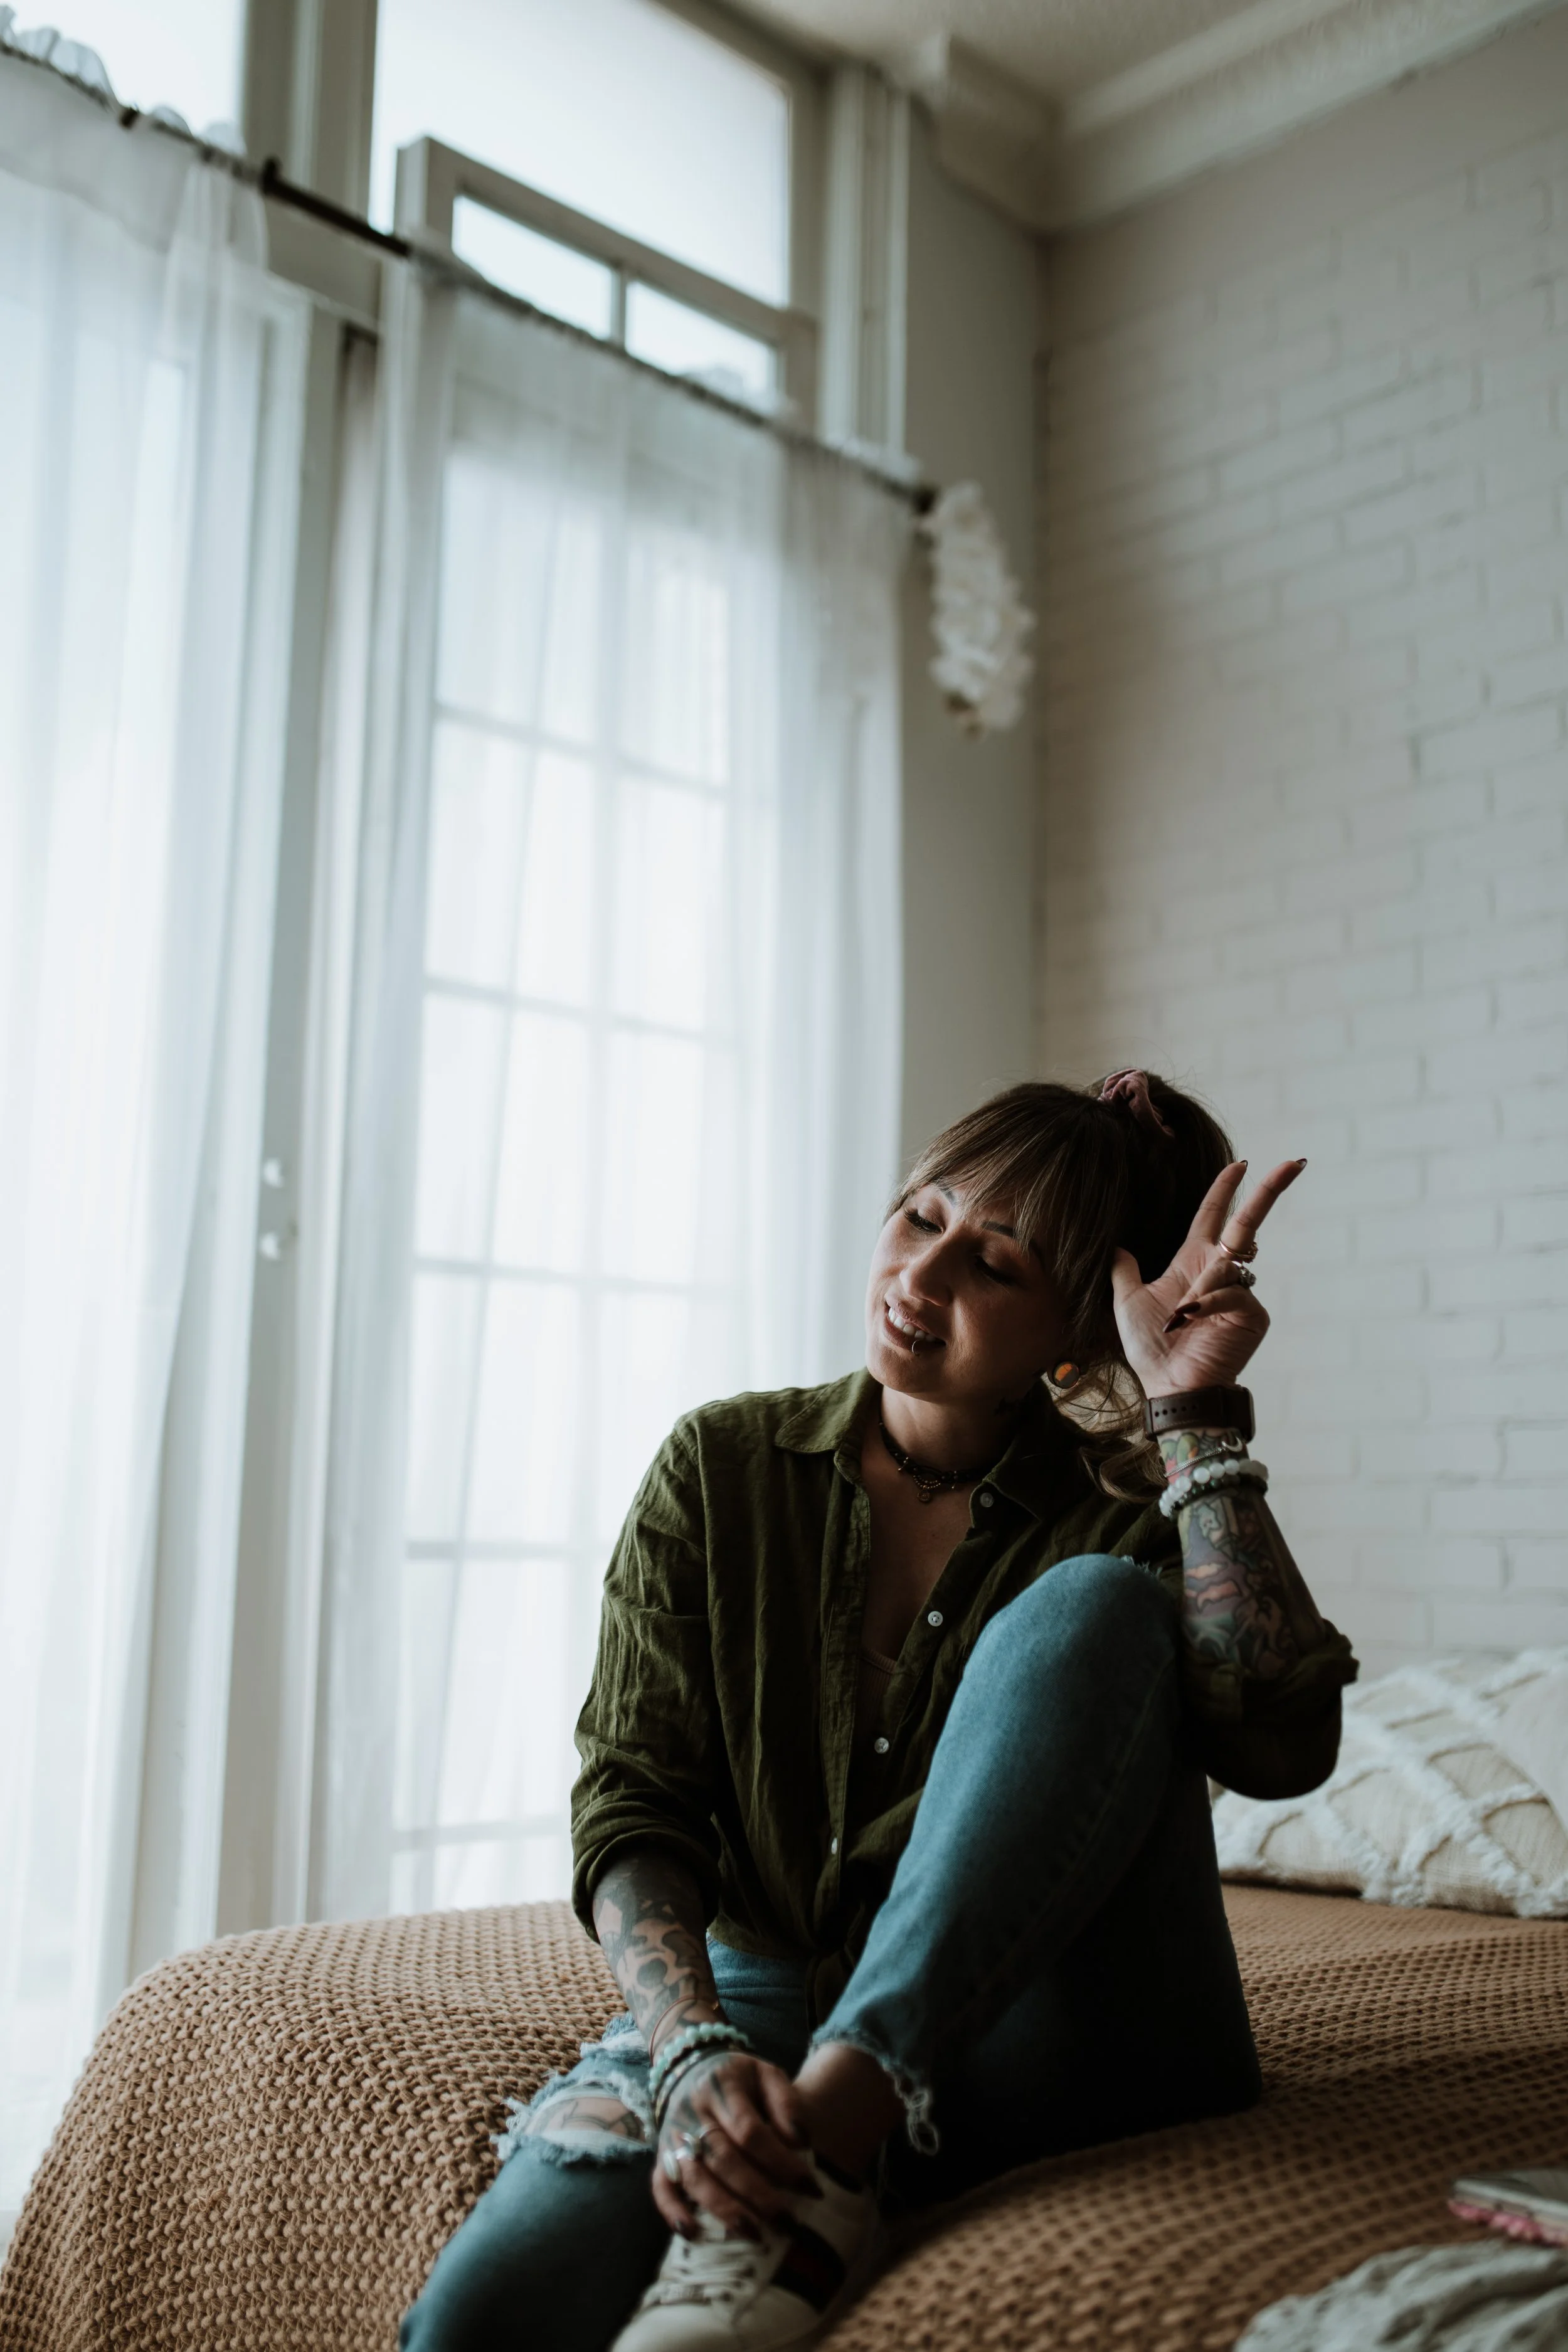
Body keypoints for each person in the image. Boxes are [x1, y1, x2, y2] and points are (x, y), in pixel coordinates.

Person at [401, 1073, 1357, 2352]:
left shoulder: (1129, 1514)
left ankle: (845, 2121)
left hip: (1047, 2029)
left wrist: (1187, 1414)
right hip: (759, 1996)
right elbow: (634, 1797)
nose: (923, 1276)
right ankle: (828, 2139)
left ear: (1076, 1327)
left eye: (994, 1264)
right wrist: (688, 2054)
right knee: (490, 2314)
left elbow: (1283, 1751)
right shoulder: (721, 1468)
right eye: (921, 1218)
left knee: (1094, 1607)